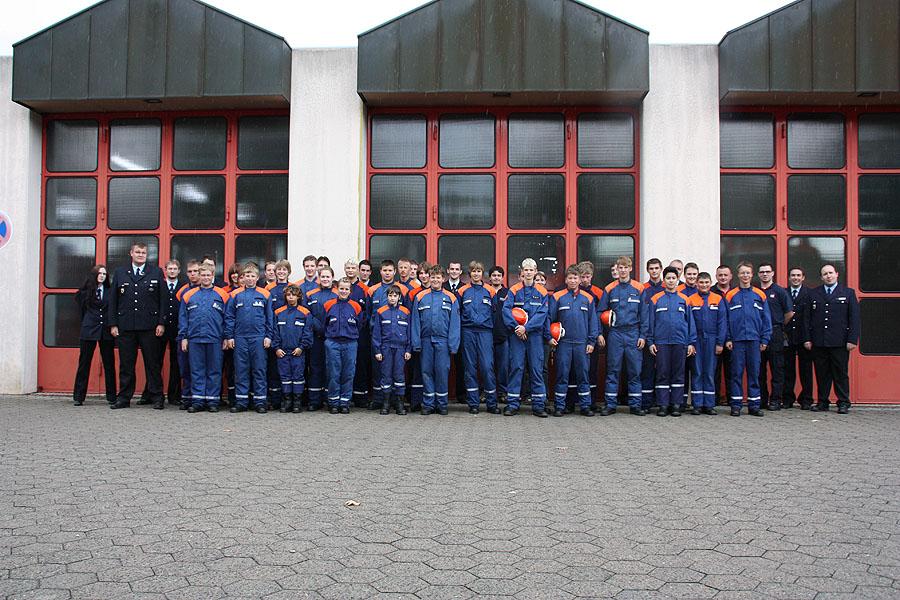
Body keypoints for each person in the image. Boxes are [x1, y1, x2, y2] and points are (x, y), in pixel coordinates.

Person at [108, 242, 167, 410]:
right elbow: (113, 300)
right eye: (138, 252)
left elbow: (163, 299)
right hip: (126, 325)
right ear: (131, 253)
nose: (141, 255)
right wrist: (113, 324)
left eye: (143, 253)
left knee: (152, 364)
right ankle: (124, 398)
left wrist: (161, 322)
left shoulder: (155, 272)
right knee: (126, 365)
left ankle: (157, 397)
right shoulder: (120, 272)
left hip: (149, 326)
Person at [803, 264, 860, 414]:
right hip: (819, 341)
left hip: (840, 342)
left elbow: (854, 318)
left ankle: (843, 402)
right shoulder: (813, 293)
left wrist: (852, 340)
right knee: (822, 374)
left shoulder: (848, 293)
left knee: (840, 373)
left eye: (830, 273)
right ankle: (823, 402)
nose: (828, 276)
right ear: (821, 277)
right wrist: (807, 339)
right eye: (825, 274)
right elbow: (807, 319)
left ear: (836, 274)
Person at [598, 256, 646, 416]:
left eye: (626, 267)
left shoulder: (639, 288)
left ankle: (635, 405)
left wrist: (643, 336)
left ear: (630, 268)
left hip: (633, 333)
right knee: (613, 370)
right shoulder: (609, 289)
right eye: (621, 267)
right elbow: (600, 312)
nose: (623, 270)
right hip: (616, 333)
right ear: (617, 270)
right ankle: (610, 404)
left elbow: (644, 315)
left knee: (635, 371)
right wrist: (600, 332)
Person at [549, 265, 599, 417]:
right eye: (570, 278)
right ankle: (560, 406)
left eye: (575, 278)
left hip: (581, 344)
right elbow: (549, 320)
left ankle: (585, 406)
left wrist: (591, 342)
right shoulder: (557, 297)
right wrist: (550, 337)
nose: (572, 281)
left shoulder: (588, 298)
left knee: (583, 375)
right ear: (566, 280)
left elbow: (593, 322)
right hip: (563, 344)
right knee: (562, 375)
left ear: (579, 280)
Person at [502, 258, 549, 418]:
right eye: (526, 270)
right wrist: (517, 327)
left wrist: (526, 328)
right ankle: (512, 404)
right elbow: (506, 310)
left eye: (531, 270)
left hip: (534, 336)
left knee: (536, 369)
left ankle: (538, 405)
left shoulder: (542, 292)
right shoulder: (514, 290)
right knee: (516, 368)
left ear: (535, 271)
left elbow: (542, 314)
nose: (528, 272)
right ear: (522, 272)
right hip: (517, 336)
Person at [178, 265, 229, 413]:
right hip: (194, 339)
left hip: (215, 338)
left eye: (208, 275)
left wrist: (227, 337)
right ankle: (198, 401)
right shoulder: (189, 295)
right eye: (203, 275)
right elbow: (183, 318)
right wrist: (184, 337)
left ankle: (212, 401)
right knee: (196, 370)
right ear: (199, 276)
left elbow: (228, 317)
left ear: (212, 276)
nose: (206, 278)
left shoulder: (222, 294)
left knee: (214, 371)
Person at [646, 266, 696, 417]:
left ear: (677, 279)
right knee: (662, 373)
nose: (671, 281)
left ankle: (676, 404)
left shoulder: (685, 299)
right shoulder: (656, 299)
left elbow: (690, 323)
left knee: (678, 374)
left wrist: (691, 343)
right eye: (668, 278)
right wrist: (650, 342)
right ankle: (663, 405)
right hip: (661, 342)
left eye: (673, 278)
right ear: (664, 280)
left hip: (680, 342)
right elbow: (651, 322)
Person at [723, 261, 771, 417]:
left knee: (754, 373)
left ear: (752, 275)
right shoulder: (730, 295)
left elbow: (766, 319)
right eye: (742, 273)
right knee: (736, 373)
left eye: (748, 273)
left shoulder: (760, 295)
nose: (745, 275)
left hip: (754, 340)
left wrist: (765, 339)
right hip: (737, 341)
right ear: (738, 275)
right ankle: (736, 405)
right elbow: (725, 319)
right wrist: (728, 338)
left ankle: (754, 405)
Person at [412, 265, 460, 415]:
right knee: (426, 372)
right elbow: (415, 322)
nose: (435, 280)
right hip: (425, 340)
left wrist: (453, 344)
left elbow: (455, 323)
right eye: (432, 277)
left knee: (442, 371)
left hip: (443, 341)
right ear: (429, 278)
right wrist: (416, 342)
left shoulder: (451, 298)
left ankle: (442, 404)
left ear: (443, 279)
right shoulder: (420, 297)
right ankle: (428, 404)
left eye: (438, 277)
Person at [224, 263, 273, 414]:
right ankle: (241, 401)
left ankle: (260, 402)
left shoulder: (265, 294)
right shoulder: (235, 295)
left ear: (257, 278)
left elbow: (269, 318)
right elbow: (229, 317)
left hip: (259, 338)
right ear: (242, 278)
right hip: (240, 338)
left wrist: (268, 336)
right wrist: (229, 336)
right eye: (247, 276)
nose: (250, 278)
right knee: (241, 370)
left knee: (259, 369)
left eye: (253, 276)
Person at [458, 262, 500, 415]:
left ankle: (491, 403)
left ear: (483, 273)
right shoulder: (462, 291)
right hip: (468, 332)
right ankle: (473, 403)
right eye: (473, 271)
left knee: (487, 367)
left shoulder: (490, 291)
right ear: (470, 274)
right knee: (470, 368)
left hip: (485, 332)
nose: (476, 274)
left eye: (479, 271)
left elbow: (495, 313)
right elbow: (458, 312)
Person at [73, 265, 117, 406]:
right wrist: (87, 321)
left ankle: (112, 396)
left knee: (109, 363)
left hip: (106, 330)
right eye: (100, 273)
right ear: (94, 275)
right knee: (84, 363)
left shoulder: (110, 291)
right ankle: (79, 396)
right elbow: (81, 309)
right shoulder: (85, 292)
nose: (102, 276)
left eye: (104, 274)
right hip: (89, 329)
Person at [368, 260, 409, 410]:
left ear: (394, 272)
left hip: (399, 343)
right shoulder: (373, 290)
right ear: (380, 271)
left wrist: (408, 348)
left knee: (398, 374)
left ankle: (397, 402)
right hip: (380, 340)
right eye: (384, 270)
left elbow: (407, 320)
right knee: (380, 372)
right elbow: (368, 314)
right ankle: (380, 401)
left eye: (390, 270)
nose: (387, 273)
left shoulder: (403, 290)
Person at [687, 272, 727, 415]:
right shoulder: (691, 300)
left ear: (710, 283)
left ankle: (709, 404)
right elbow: (689, 323)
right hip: (696, 340)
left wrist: (720, 343)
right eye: (701, 282)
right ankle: (697, 404)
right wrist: (691, 342)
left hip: (712, 339)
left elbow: (722, 322)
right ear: (697, 284)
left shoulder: (718, 299)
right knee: (697, 372)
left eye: (706, 282)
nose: (704, 285)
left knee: (710, 372)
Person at [324, 278, 364, 414]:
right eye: (341, 288)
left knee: (348, 373)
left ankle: (345, 402)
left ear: (350, 291)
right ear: (337, 289)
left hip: (350, 343)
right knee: (333, 373)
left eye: (346, 289)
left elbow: (360, 324)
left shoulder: (356, 306)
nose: (344, 291)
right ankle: (333, 402)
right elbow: (324, 323)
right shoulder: (329, 305)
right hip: (333, 342)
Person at [757, 262, 793, 411]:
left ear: (772, 273)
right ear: (758, 274)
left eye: (767, 271)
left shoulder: (780, 291)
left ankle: (776, 400)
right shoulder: (755, 291)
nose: (765, 274)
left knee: (777, 369)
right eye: (762, 272)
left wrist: (778, 325)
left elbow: (789, 313)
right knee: (759, 370)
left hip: (775, 333)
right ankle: (762, 400)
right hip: (758, 334)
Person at [272, 284, 314, 413]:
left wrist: (302, 347)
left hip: (298, 352)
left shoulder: (305, 312)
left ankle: (297, 402)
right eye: (288, 295)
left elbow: (308, 332)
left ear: (298, 296)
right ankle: (287, 401)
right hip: (283, 352)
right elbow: (275, 332)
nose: (291, 297)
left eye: (293, 295)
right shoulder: (278, 312)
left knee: (298, 377)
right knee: (285, 377)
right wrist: (276, 348)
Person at [264, 259, 298, 410]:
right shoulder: (268, 288)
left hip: (290, 333)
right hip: (274, 332)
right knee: (273, 368)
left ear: (289, 272)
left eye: (284, 269)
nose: (281, 272)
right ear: (275, 272)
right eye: (279, 269)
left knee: (290, 369)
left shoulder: (293, 288)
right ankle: (275, 399)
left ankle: (288, 399)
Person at [306, 267, 338, 411]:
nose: (325, 279)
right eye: (323, 277)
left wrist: (328, 329)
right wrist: (318, 327)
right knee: (315, 368)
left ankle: (329, 399)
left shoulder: (337, 294)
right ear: (319, 278)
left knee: (331, 369)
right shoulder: (311, 295)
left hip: (332, 338)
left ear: (332, 277)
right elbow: (307, 314)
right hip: (316, 337)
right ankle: (314, 400)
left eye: (327, 276)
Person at [576, 261, 606, 411]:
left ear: (592, 276)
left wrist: (599, 334)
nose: (585, 280)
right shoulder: (573, 292)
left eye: (587, 276)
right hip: (576, 336)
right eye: (582, 277)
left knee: (592, 369)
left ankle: (592, 402)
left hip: (591, 336)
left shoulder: (598, 293)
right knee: (576, 370)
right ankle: (574, 401)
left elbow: (600, 316)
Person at [784, 267, 814, 409]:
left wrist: (809, 338)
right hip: (788, 337)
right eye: (793, 275)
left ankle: (806, 399)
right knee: (788, 370)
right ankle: (787, 399)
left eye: (798, 275)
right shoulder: (783, 293)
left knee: (806, 370)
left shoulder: (810, 293)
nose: (795, 278)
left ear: (803, 277)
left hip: (804, 337)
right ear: (789, 278)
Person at [344, 259, 373, 408]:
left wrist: (358, 326)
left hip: (360, 333)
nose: (350, 270)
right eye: (348, 267)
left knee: (360, 364)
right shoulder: (340, 286)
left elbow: (367, 312)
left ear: (357, 270)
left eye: (353, 267)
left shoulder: (365, 289)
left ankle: (360, 397)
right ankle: (345, 396)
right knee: (345, 366)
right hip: (343, 334)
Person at [174, 260, 201, 410]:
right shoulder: (182, 292)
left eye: (196, 271)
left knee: (199, 369)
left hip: (203, 336)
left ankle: (199, 398)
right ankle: (186, 398)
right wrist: (183, 335)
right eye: (190, 272)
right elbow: (181, 316)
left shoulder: (210, 290)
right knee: (186, 369)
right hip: (186, 335)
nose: (193, 274)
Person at [640, 258, 664, 411]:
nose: (654, 271)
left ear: (661, 269)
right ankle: (646, 403)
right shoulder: (643, 289)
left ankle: (662, 402)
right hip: (648, 335)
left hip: (664, 335)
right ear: (648, 270)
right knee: (647, 370)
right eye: (651, 268)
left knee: (663, 371)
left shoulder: (668, 287)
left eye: (656, 268)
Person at [158, 259, 183, 406]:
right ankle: (152, 394)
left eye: (175, 269)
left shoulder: (183, 286)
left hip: (177, 328)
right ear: (165, 270)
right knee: (156, 361)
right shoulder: (159, 285)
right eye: (169, 269)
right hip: (161, 328)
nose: (172, 271)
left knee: (176, 362)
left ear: (179, 271)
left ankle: (174, 395)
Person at [221, 262, 242, 406]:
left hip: (243, 336)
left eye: (237, 273)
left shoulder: (245, 292)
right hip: (228, 335)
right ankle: (231, 396)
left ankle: (242, 396)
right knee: (229, 367)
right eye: (232, 273)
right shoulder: (224, 291)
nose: (235, 276)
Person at [444, 261, 465, 404]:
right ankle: (443, 394)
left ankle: (461, 394)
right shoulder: (442, 286)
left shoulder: (465, 288)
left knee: (461, 364)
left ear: (461, 272)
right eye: (452, 269)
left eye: (457, 269)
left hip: (460, 331)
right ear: (448, 270)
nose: (454, 271)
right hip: (443, 330)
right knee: (442, 365)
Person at [489, 266, 510, 405]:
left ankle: (503, 392)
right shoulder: (486, 291)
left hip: (503, 335)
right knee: (487, 366)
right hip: (487, 335)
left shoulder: (508, 293)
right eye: (494, 275)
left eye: (499, 275)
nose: (496, 278)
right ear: (490, 277)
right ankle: (488, 391)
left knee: (503, 366)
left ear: (502, 278)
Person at [714, 265, 734, 404]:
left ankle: (732, 398)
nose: (723, 277)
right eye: (720, 275)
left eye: (725, 275)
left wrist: (730, 337)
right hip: (715, 339)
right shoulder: (710, 292)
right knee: (714, 371)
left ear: (730, 276)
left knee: (732, 371)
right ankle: (714, 399)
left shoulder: (736, 292)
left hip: (733, 339)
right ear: (716, 276)